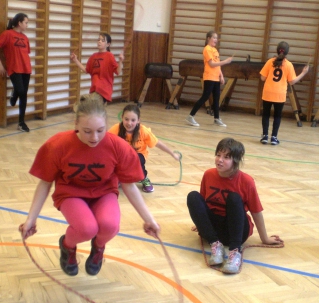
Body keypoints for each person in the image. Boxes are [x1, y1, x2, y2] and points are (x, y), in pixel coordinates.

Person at [19, 95, 160, 277]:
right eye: (87, 131)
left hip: (103, 193)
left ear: (107, 125)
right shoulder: (57, 146)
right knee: (87, 228)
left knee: (109, 226)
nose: (94, 137)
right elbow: (45, 183)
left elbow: (130, 187)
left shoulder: (118, 147)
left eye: (100, 130)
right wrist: (31, 219)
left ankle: (98, 248)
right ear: (76, 125)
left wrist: (149, 219)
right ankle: (67, 246)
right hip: (71, 193)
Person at [187, 138, 282, 274]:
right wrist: (201, 223)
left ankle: (235, 251)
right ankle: (215, 245)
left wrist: (265, 238)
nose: (220, 159)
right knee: (193, 196)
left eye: (226, 157)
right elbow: (202, 203)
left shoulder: (246, 181)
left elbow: (256, 211)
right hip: (215, 231)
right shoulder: (208, 174)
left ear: (236, 161)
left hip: (236, 230)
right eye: (218, 155)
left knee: (234, 198)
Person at [109, 104, 181, 193]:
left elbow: (157, 143)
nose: (129, 123)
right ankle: (119, 177)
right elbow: (104, 142)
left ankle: (144, 178)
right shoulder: (115, 129)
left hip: (138, 156)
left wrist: (172, 153)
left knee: (137, 159)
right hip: (122, 156)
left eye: (133, 120)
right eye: (126, 119)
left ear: (138, 120)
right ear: (122, 117)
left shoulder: (143, 131)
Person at [260, 41, 309, 145]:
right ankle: (274, 137)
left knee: (266, 115)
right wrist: (303, 73)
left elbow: (262, 78)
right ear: (287, 52)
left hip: (268, 92)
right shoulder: (288, 65)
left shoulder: (270, 62)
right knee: (277, 116)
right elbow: (292, 81)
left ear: (277, 50)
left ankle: (265, 136)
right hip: (279, 94)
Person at [0, 13, 31, 132]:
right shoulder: (7, 34)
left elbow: (25, 53)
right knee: (20, 90)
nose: (27, 25)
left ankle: (21, 123)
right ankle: (15, 93)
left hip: (26, 68)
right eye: (26, 22)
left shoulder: (25, 37)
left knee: (23, 95)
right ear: (19, 23)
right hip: (14, 68)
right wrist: (0, 64)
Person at [185, 31, 233, 128]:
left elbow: (217, 65)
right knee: (205, 97)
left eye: (216, 38)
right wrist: (226, 62)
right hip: (209, 77)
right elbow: (211, 64)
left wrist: (221, 75)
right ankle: (191, 116)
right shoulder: (207, 49)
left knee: (216, 98)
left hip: (216, 78)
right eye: (214, 38)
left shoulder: (215, 50)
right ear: (208, 38)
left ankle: (216, 118)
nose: (216, 40)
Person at [70, 32, 124, 103]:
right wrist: (75, 60)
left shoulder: (109, 56)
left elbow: (117, 71)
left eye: (102, 40)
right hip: (94, 89)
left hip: (104, 91)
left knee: (90, 105)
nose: (99, 41)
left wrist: (120, 61)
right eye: (98, 39)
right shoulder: (93, 56)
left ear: (108, 44)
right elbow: (86, 70)